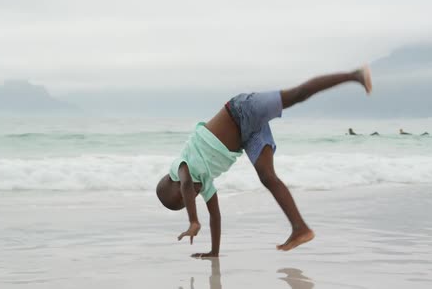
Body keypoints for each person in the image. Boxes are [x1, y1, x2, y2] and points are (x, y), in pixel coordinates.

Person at [156, 65, 373, 257]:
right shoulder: (205, 183)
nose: (193, 195)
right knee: (267, 177)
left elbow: (185, 184)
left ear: (173, 180)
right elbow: (215, 215)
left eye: (187, 197)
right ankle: (300, 228)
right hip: (249, 137)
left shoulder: (182, 165)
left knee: (296, 95)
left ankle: (354, 75)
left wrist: (193, 220)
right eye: (189, 200)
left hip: (241, 110)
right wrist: (214, 252)